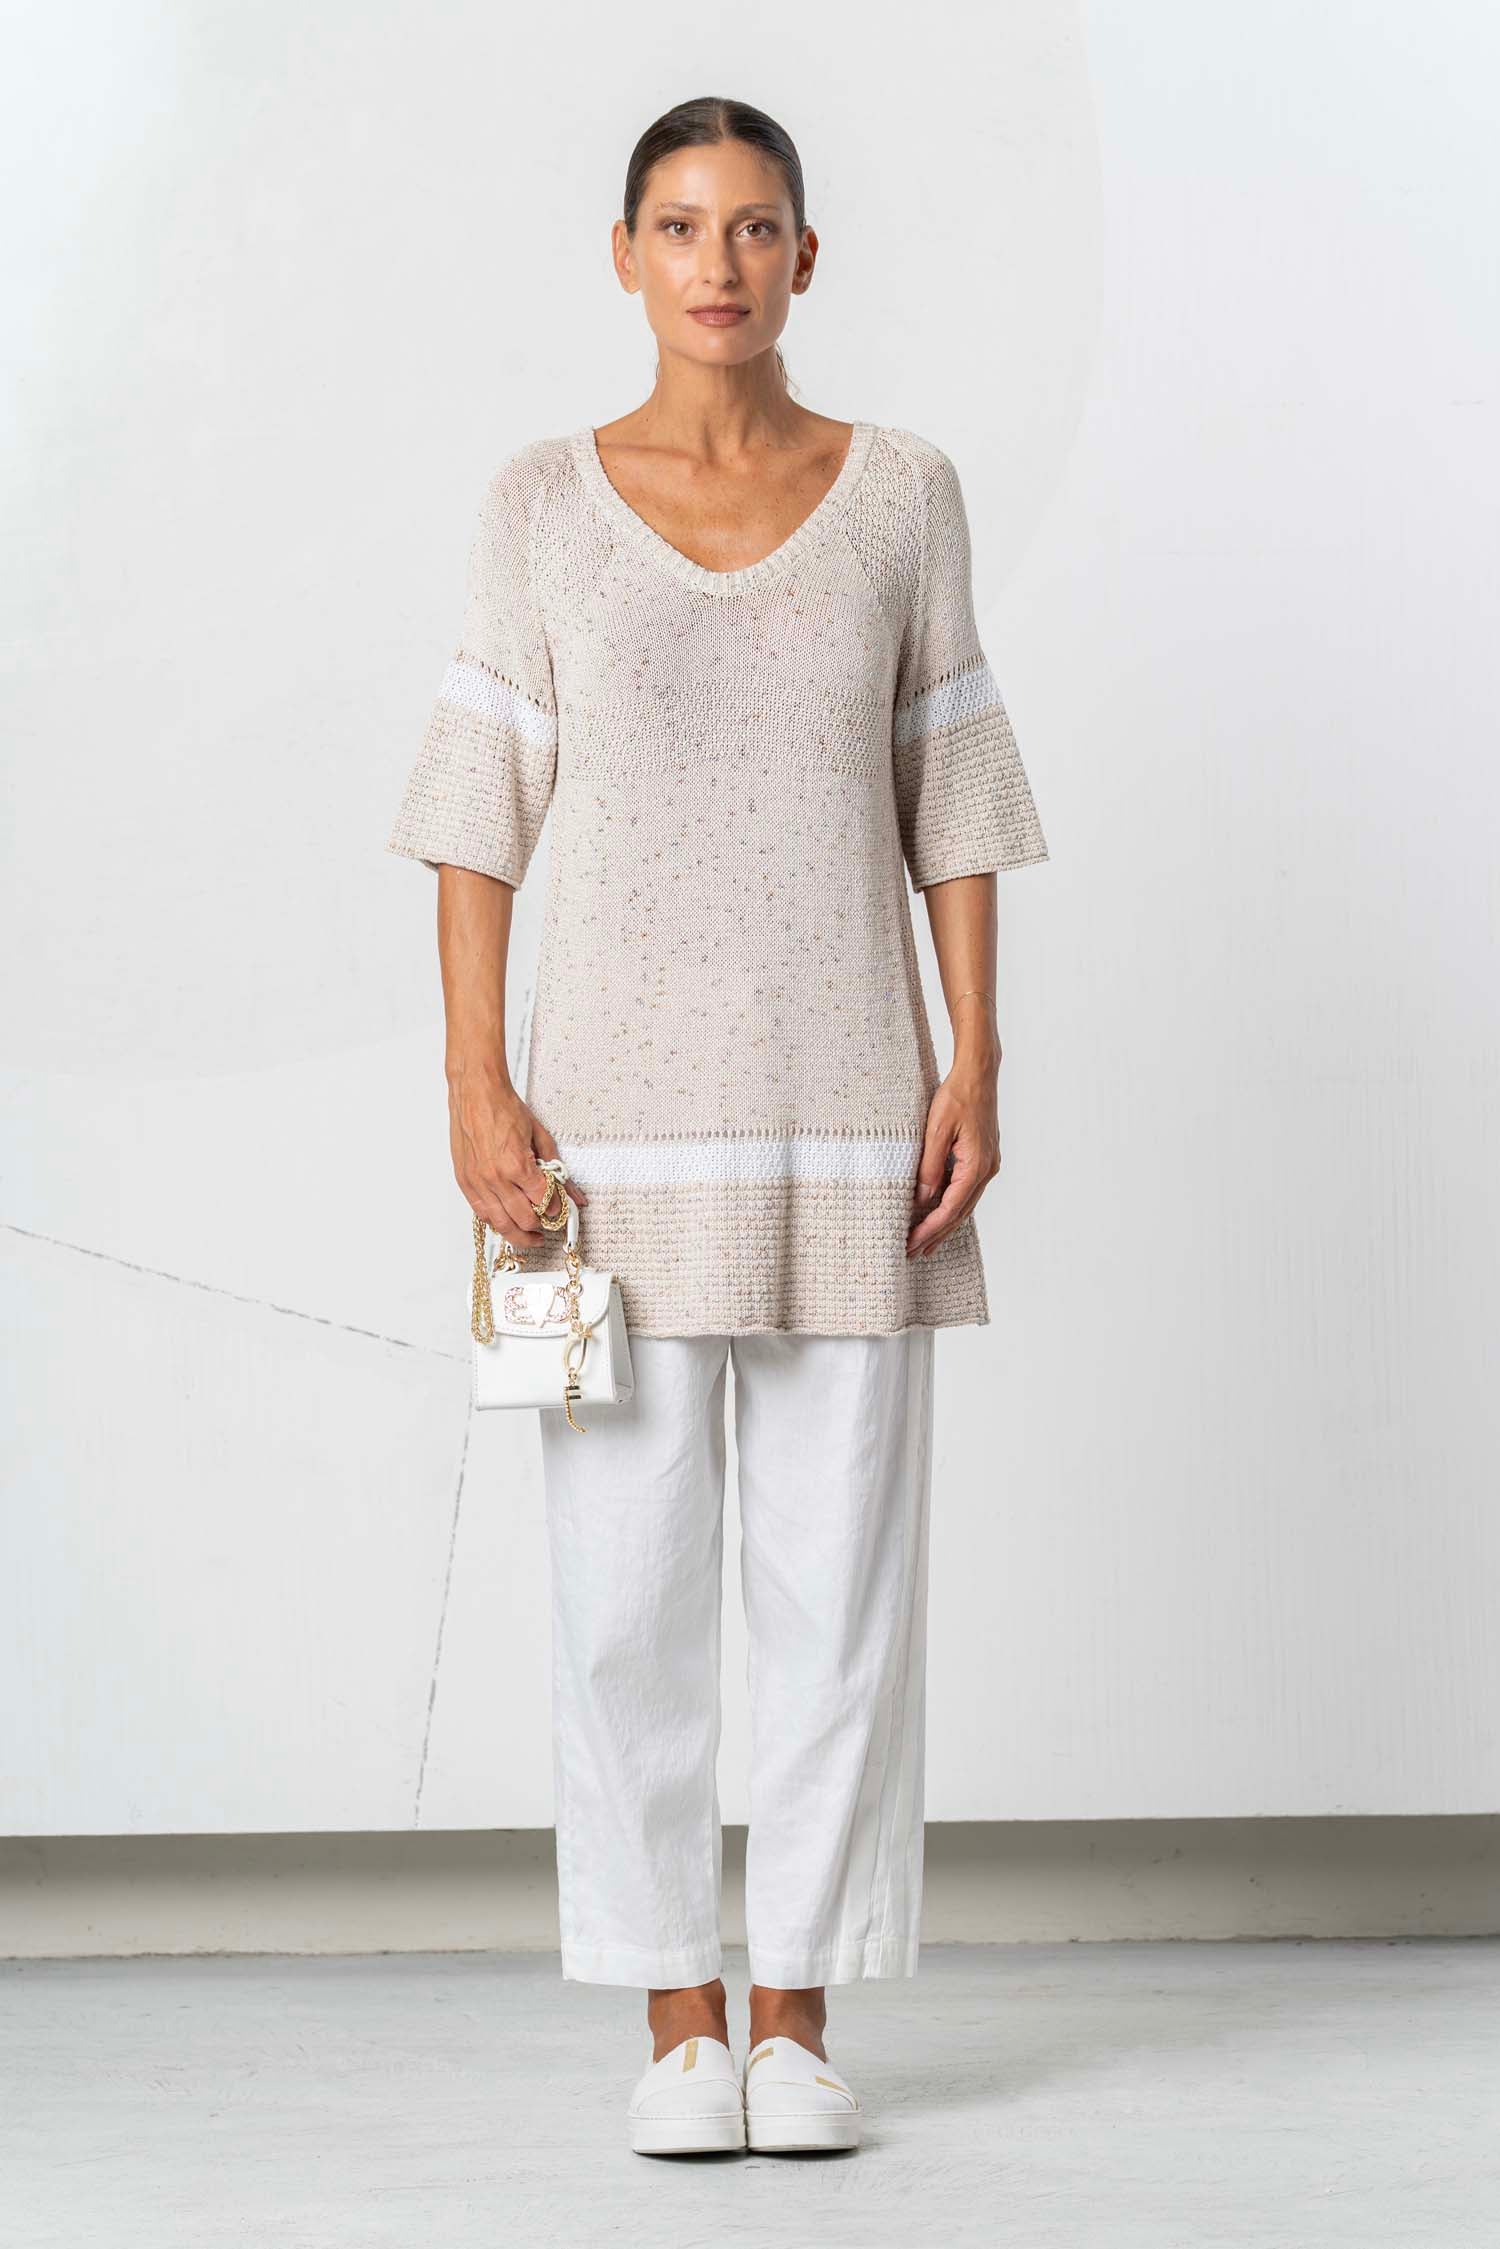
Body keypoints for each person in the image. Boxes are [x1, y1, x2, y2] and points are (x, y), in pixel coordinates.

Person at [386, 94, 1049, 2158]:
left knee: (840, 1596)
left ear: (807, 258)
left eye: (756, 227)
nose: (719, 264)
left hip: (853, 1119)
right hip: (592, 1153)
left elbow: (951, 783)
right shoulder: (537, 503)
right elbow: (477, 809)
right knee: (621, 1598)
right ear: (625, 256)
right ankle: (677, 2013)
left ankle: (802, 2016)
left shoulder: (907, 492)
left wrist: (976, 1055)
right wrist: (474, 1081)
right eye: (680, 227)